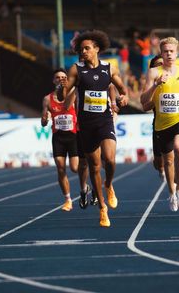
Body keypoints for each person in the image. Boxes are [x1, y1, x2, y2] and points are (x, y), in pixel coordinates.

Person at [62, 30, 128, 227]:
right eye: (81, 49)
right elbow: (63, 94)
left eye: (87, 48)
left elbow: (123, 91)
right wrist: (62, 87)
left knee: (110, 159)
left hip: (104, 120)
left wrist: (123, 98)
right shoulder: (76, 70)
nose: (83, 51)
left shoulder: (110, 69)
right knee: (94, 167)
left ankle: (109, 185)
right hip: (86, 124)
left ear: (97, 49)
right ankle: (102, 209)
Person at [141, 37, 179, 212]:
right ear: (161, 53)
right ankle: (172, 192)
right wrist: (156, 85)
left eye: (172, 51)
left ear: (176, 52)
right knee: (168, 160)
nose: (169, 54)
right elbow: (143, 100)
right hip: (161, 123)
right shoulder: (153, 73)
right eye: (165, 51)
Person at [41, 68, 88, 212]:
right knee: (61, 169)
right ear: (53, 81)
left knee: (75, 168)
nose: (61, 80)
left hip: (73, 136)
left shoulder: (74, 95)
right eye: (58, 78)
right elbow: (43, 122)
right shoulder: (47, 99)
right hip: (58, 137)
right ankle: (68, 200)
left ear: (67, 80)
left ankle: (84, 188)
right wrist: (44, 119)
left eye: (63, 77)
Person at [142, 55, 165, 180]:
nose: (160, 66)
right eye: (157, 65)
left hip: (176, 122)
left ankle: (177, 186)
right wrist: (157, 99)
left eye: (162, 63)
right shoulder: (151, 85)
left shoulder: (176, 78)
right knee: (158, 162)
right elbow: (145, 107)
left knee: (175, 152)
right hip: (158, 123)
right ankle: (161, 169)